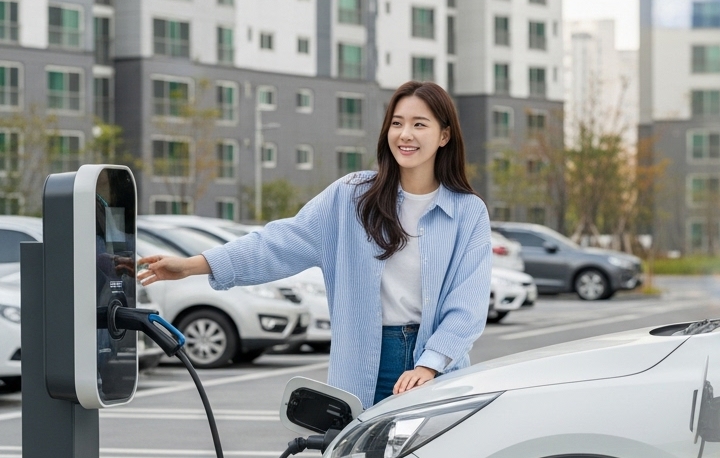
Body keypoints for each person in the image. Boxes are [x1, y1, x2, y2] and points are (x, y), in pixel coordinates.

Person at [138, 81, 492, 407]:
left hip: (438, 367)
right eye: (397, 123)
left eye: (419, 124)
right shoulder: (352, 197)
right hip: (365, 361)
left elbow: (468, 305)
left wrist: (429, 365)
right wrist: (192, 265)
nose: (405, 134)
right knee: (358, 455)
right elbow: (277, 243)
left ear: (444, 135)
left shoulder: (467, 212)